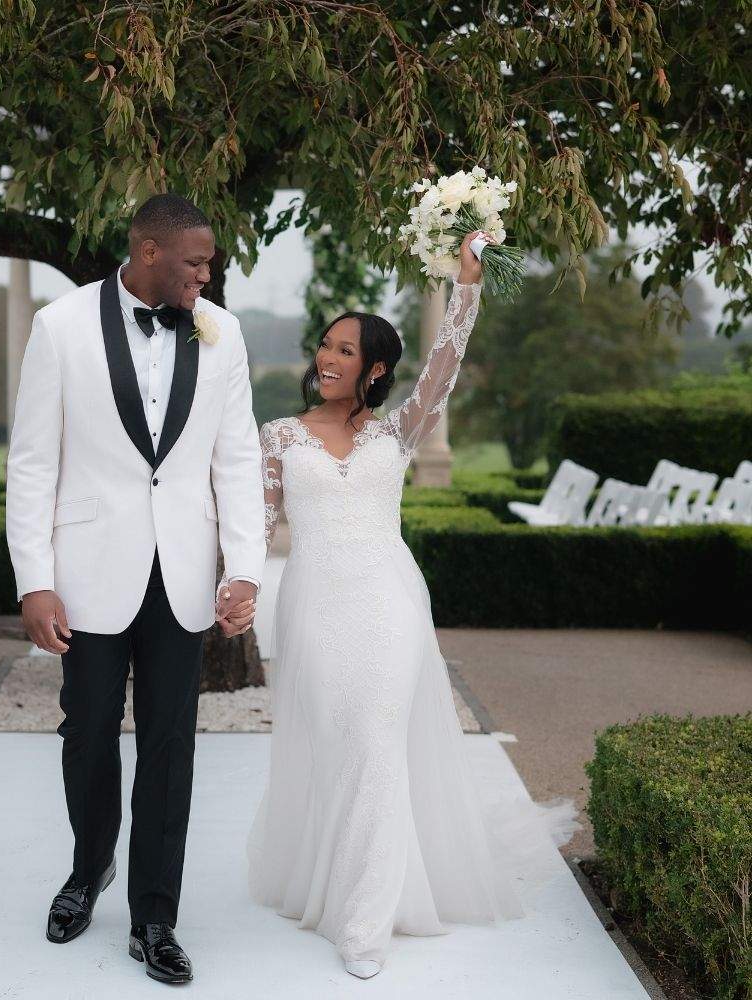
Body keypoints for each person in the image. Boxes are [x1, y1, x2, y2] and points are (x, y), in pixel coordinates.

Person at [227, 231, 578, 978]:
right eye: (325, 345)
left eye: (346, 351)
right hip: (315, 609)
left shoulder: (397, 430)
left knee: (378, 744)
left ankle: (365, 919)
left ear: (375, 369)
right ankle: (342, 882)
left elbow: (444, 367)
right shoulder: (278, 436)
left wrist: (468, 286)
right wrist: (239, 588)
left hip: (391, 605)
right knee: (342, 744)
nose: (327, 358)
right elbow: (254, 528)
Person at [5, 193, 263, 985]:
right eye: (195, 261)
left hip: (181, 577)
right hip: (85, 574)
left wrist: (243, 564)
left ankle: (155, 916)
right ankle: (89, 872)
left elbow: (238, 457)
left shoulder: (223, 334)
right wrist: (34, 581)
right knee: (85, 734)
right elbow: (32, 464)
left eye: (208, 261)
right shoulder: (60, 328)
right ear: (149, 253)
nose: (206, 272)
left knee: (170, 749)